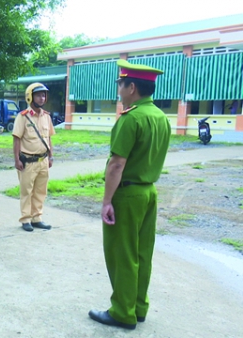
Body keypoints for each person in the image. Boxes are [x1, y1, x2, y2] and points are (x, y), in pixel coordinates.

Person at [88, 59, 171, 330]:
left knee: (122, 253)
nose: (119, 91)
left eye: (121, 86)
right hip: (149, 193)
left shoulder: (131, 117)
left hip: (128, 194)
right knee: (142, 252)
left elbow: (117, 164)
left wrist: (106, 201)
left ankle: (123, 312)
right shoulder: (160, 116)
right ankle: (138, 306)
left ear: (132, 87)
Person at [12, 83, 55, 232]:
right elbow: (17, 138)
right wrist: (17, 159)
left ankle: (37, 218)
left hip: (43, 161)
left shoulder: (46, 117)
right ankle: (26, 219)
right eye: (38, 95)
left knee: (40, 191)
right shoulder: (23, 117)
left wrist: (51, 156)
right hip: (28, 162)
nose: (42, 98)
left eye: (43, 95)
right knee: (26, 191)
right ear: (30, 96)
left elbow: (49, 138)